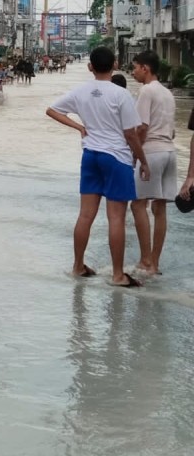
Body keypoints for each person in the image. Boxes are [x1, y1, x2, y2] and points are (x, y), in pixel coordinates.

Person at [46, 45, 150, 287]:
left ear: (90, 66)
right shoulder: (121, 94)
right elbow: (131, 134)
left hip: (90, 155)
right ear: (114, 64)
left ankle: (78, 266)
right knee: (116, 217)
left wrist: (80, 128)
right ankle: (117, 275)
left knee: (85, 215)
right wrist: (143, 161)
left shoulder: (80, 91)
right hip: (116, 158)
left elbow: (51, 110)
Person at [130, 50, 176, 276]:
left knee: (138, 204)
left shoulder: (146, 91)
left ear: (145, 68)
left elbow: (141, 128)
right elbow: (173, 130)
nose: (133, 72)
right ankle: (154, 264)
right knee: (160, 208)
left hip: (152, 152)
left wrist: (135, 157)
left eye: (135, 67)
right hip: (170, 152)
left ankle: (145, 261)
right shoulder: (168, 93)